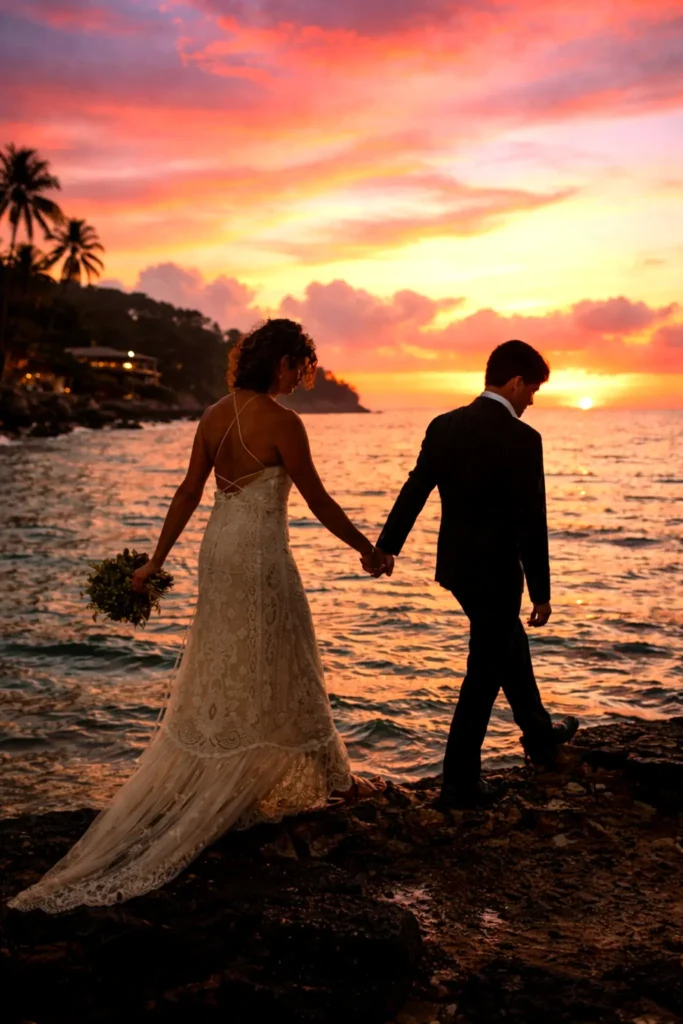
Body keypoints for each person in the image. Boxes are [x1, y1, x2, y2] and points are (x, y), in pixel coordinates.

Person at [8, 318, 384, 913]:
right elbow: (316, 500)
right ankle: (306, 775)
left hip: (217, 550)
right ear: (282, 364)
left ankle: (245, 772)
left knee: (226, 655)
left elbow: (187, 491)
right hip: (260, 553)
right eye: (298, 365)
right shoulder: (284, 423)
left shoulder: (211, 415)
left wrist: (153, 562)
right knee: (282, 648)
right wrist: (368, 548)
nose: (299, 376)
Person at [365, 340, 579, 809]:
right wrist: (541, 592)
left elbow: (415, 489)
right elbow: (530, 519)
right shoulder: (524, 439)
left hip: (458, 568)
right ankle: (461, 781)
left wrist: (387, 547)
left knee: (500, 649)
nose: (532, 401)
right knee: (485, 669)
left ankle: (539, 737)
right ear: (516, 382)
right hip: (498, 572)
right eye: (533, 390)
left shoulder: (444, 426)